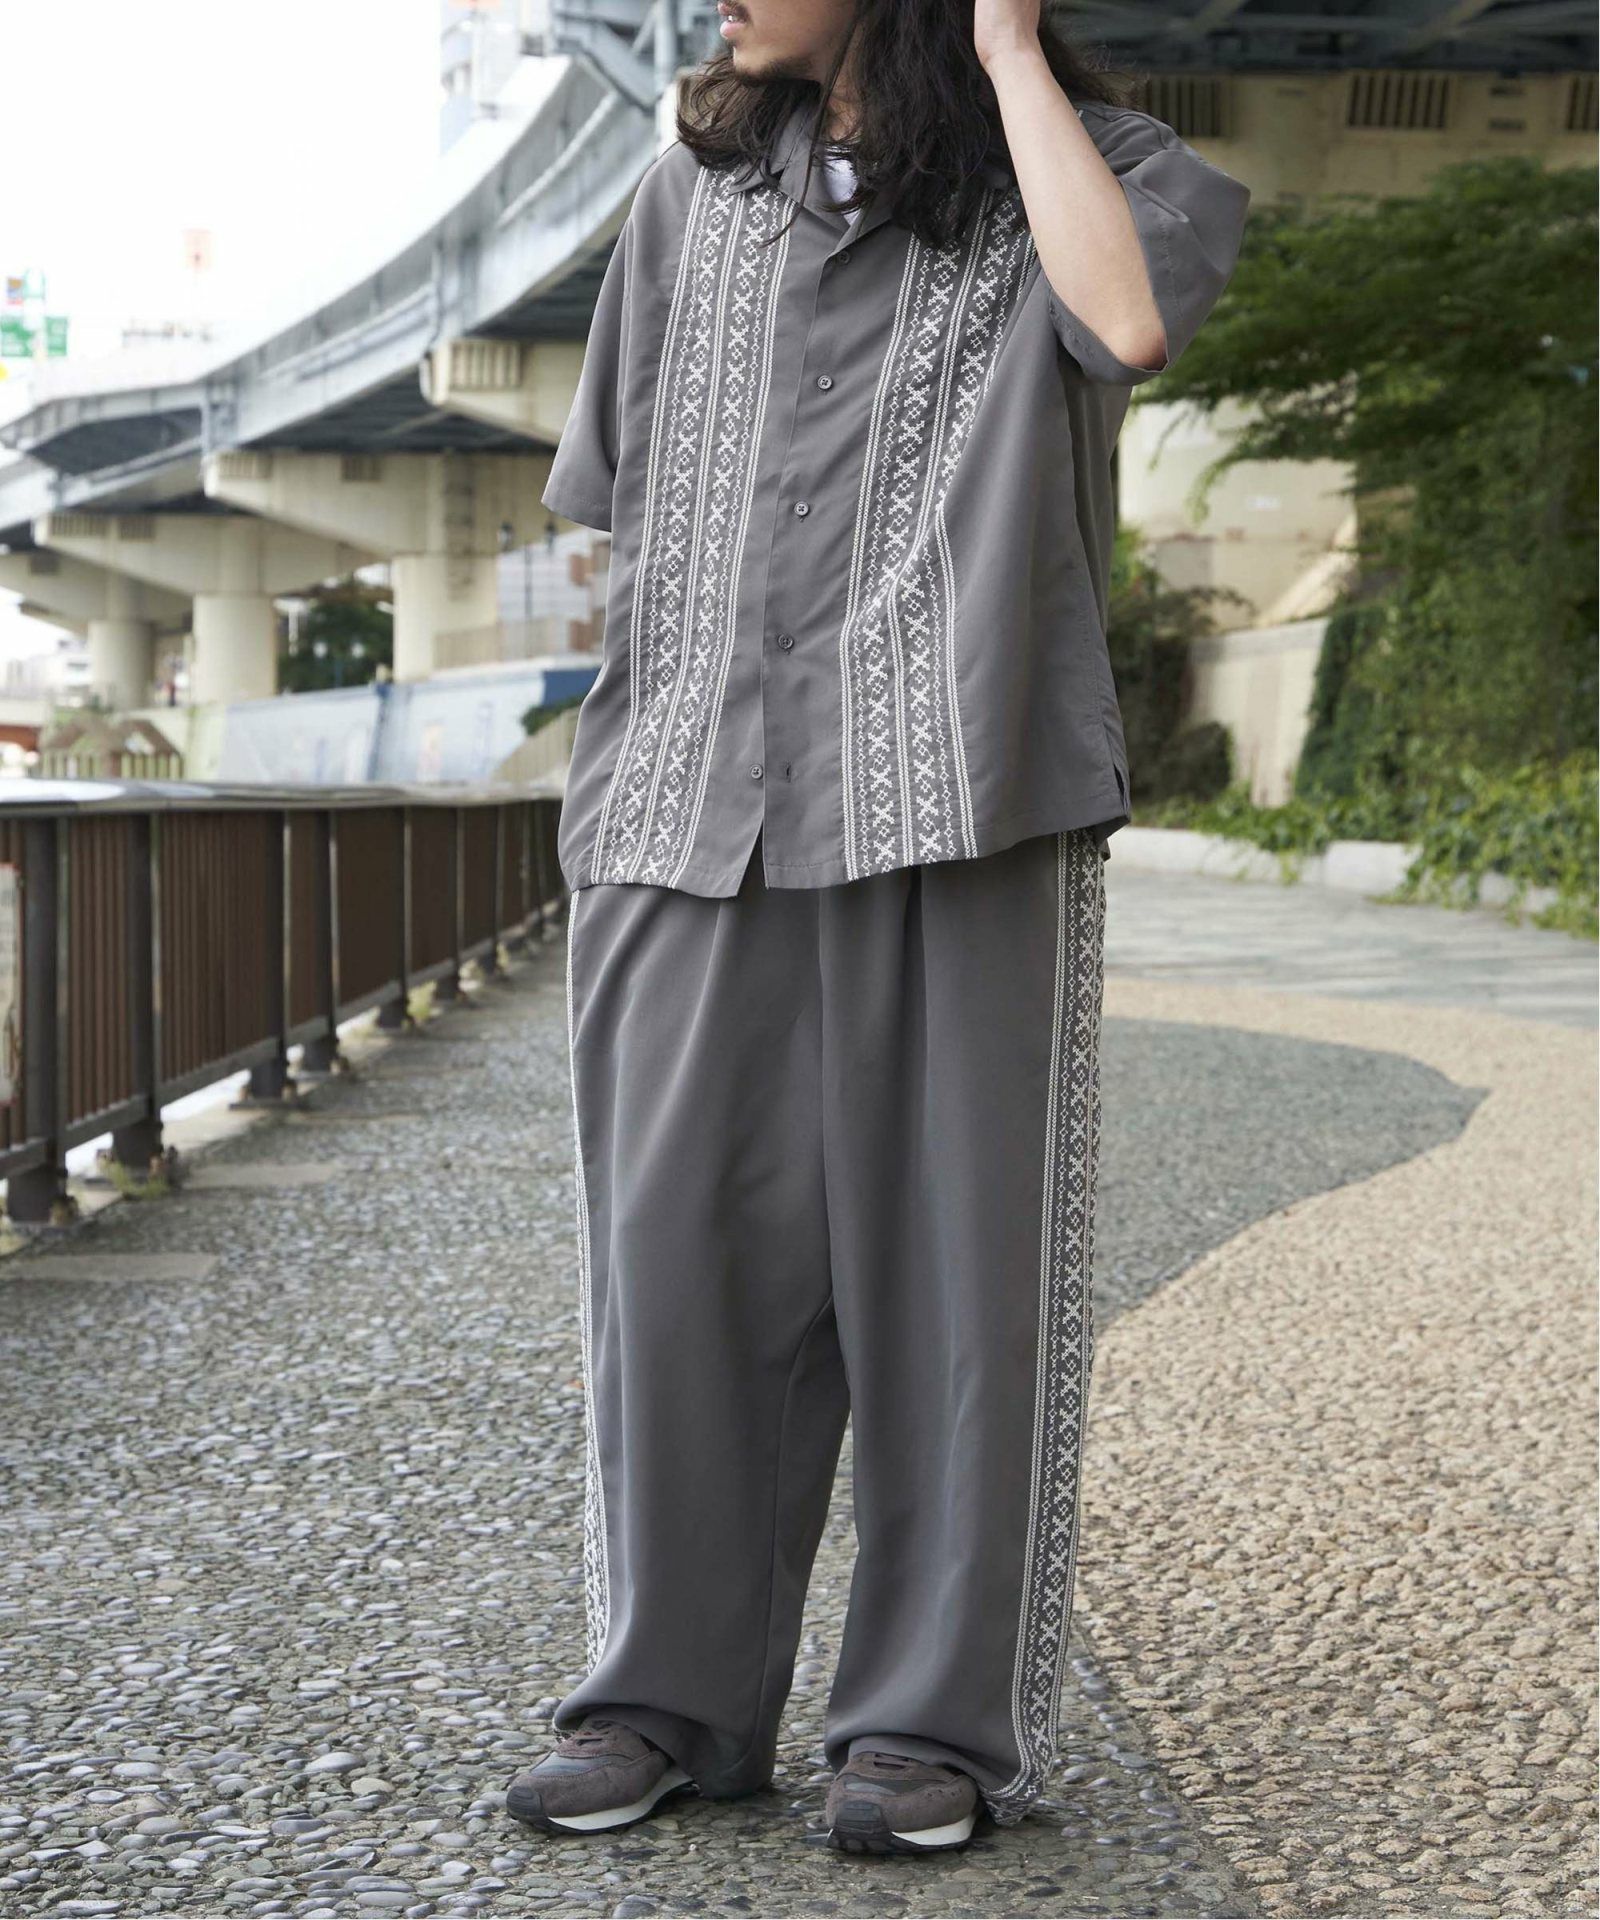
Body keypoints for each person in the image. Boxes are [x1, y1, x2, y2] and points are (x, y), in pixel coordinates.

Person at [506, 0, 1250, 1857]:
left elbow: (1126, 324)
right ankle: (666, 1698)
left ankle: (928, 1727)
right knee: (673, 1269)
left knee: (954, 1280)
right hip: (685, 808)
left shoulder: (1096, 173)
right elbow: (622, 497)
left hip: (957, 795)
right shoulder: (686, 196)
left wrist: (1006, 53)